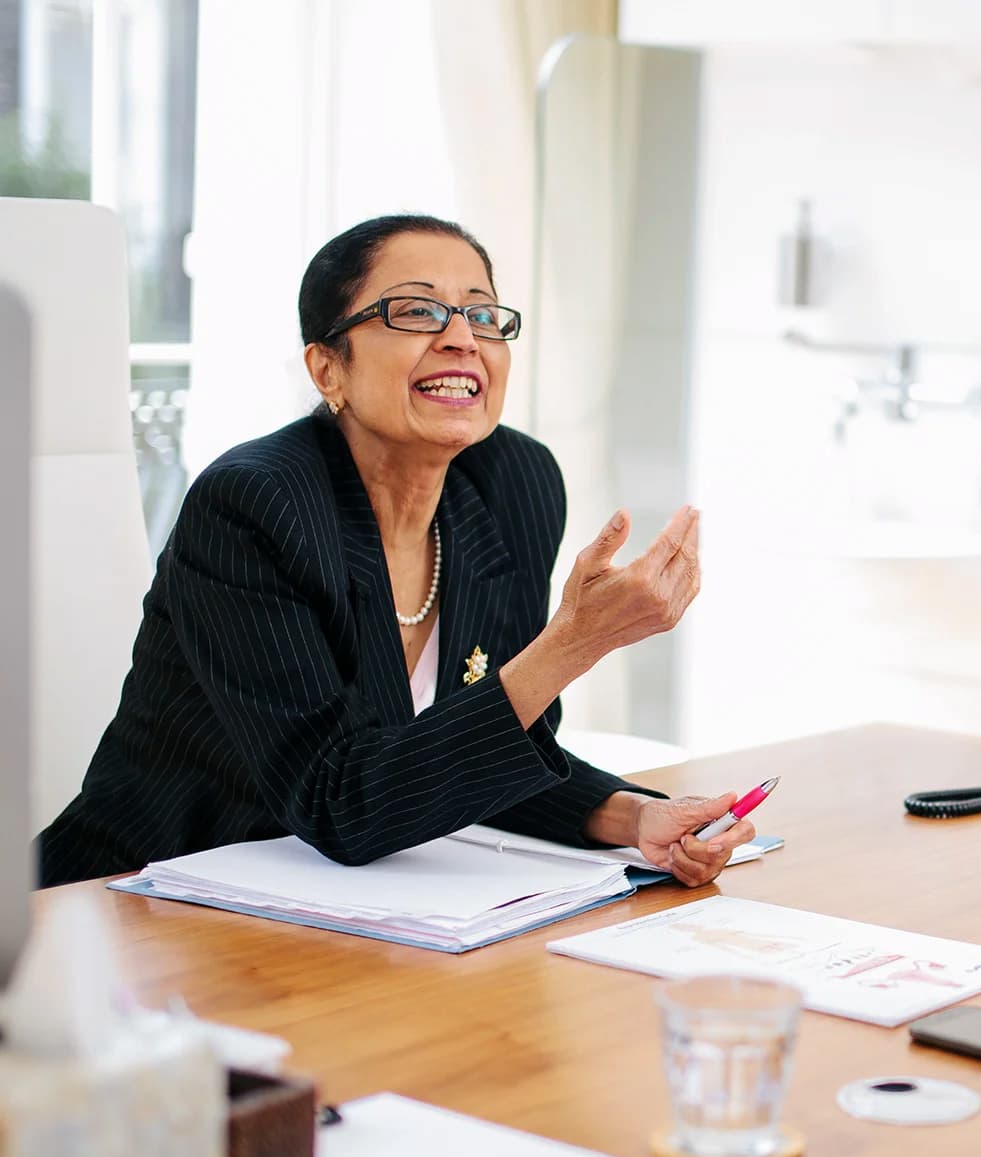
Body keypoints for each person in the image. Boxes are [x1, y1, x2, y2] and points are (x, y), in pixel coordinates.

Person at [37, 214, 754, 886]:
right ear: (328, 370)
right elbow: (338, 800)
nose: (461, 337)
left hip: (329, 916)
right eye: (416, 311)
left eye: (482, 313)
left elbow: (477, 753)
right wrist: (575, 642)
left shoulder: (515, 484)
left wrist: (633, 816)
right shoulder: (255, 506)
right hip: (134, 900)